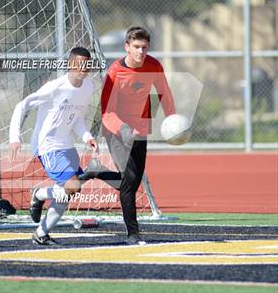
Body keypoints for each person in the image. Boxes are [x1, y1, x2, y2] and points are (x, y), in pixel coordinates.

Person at [81, 26, 176, 244]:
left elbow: (165, 94)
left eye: (144, 47)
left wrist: (172, 120)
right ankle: (133, 233)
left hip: (140, 129)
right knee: (130, 181)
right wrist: (124, 130)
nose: (141, 52)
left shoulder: (154, 66)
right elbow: (107, 113)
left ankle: (99, 172)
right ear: (127, 47)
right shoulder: (115, 73)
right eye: (136, 47)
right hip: (116, 131)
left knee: (130, 183)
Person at [9, 47, 98, 245]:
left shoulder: (88, 87)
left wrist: (86, 136)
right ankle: (39, 194)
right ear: (70, 64)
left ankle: (41, 233)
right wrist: (14, 137)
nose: (83, 68)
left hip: (66, 145)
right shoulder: (55, 87)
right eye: (79, 64)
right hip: (46, 145)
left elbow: (77, 118)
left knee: (72, 190)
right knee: (72, 186)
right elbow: (21, 106)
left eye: (87, 64)